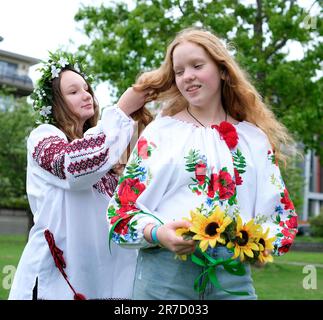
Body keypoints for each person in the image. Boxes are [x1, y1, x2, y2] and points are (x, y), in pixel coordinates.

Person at [107, 27, 298, 300]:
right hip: (164, 278)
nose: (188, 77)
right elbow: (120, 212)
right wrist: (158, 233)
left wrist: (262, 246)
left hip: (232, 277)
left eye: (197, 65)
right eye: (179, 71)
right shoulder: (161, 132)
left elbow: (279, 212)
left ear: (222, 70)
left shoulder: (253, 138)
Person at [9, 51, 151, 300]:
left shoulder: (107, 149)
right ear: (56, 104)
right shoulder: (43, 138)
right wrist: (122, 109)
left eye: (86, 89)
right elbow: (72, 167)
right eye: (73, 92)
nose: (86, 95)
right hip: (57, 280)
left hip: (105, 278)